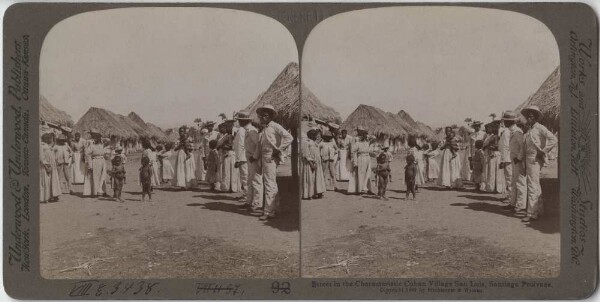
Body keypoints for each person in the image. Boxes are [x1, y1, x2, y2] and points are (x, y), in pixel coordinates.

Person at [256, 104, 293, 220]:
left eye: (265, 116)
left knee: (269, 184)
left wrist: (279, 149)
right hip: (264, 157)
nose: (263, 118)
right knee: (271, 182)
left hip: (270, 157)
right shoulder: (264, 129)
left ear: (271, 116)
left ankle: (268, 212)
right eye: (261, 116)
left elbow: (289, 137)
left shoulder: (275, 126)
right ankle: (276, 208)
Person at [520, 105, 557, 222]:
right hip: (528, 159)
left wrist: (543, 151)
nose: (529, 118)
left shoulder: (540, 128)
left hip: (535, 160)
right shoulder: (530, 130)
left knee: (532, 185)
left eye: (531, 116)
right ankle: (539, 210)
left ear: (535, 117)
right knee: (535, 184)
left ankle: (531, 213)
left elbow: (553, 139)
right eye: (528, 116)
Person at [501, 113, 527, 213]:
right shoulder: (512, 132)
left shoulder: (517, 132)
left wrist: (519, 158)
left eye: (506, 120)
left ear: (511, 121)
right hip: (514, 160)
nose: (504, 122)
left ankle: (521, 205)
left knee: (520, 182)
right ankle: (513, 203)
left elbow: (523, 146)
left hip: (518, 161)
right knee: (514, 182)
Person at [237, 114, 263, 211]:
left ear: (244, 121)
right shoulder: (248, 130)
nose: (239, 122)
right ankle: (250, 201)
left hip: (254, 159)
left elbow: (259, 145)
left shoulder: (252, 131)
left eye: (240, 120)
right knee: (250, 181)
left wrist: (255, 157)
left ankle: (257, 203)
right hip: (250, 159)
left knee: (256, 181)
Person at [347, 127, 375, 195]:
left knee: (368, 174)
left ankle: (368, 189)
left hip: (367, 158)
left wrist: (367, 135)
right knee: (360, 174)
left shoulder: (367, 142)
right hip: (361, 158)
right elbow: (353, 152)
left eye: (365, 135)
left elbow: (374, 138)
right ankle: (360, 190)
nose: (365, 137)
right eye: (363, 135)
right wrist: (355, 162)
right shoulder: (357, 143)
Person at [83, 129, 108, 197]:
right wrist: (90, 164)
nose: (98, 139)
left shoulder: (102, 145)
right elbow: (87, 154)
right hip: (95, 162)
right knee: (95, 177)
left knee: (103, 177)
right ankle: (96, 192)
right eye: (97, 138)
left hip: (102, 161)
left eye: (99, 138)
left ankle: (103, 191)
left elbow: (108, 143)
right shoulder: (92, 146)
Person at [302, 129, 326, 199]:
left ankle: (318, 192)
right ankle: (309, 194)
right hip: (310, 162)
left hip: (316, 162)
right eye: (315, 135)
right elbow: (306, 154)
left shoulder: (313, 142)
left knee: (317, 177)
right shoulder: (306, 142)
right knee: (310, 178)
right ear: (312, 135)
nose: (316, 137)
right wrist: (311, 163)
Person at [483, 121, 505, 194]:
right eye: (494, 127)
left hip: (497, 154)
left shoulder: (500, 136)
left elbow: (500, 146)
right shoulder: (491, 136)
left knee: (498, 171)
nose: (495, 129)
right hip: (492, 154)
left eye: (497, 127)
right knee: (492, 171)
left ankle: (498, 187)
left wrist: (492, 147)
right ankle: (492, 187)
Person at [217, 121, 240, 193]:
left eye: (228, 127)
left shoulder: (234, 135)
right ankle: (227, 187)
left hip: (231, 153)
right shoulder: (226, 136)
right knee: (227, 171)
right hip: (227, 154)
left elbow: (232, 146)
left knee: (232, 170)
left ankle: (233, 187)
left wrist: (223, 146)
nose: (227, 129)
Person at [40, 133, 62, 202]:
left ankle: (55, 194)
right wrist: (46, 166)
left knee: (54, 180)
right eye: (48, 138)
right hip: (48, 164)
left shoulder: (48, 145)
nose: (49, 139)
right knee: (48, 181)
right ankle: (49, 195)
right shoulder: (42, 146)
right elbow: (42, 157)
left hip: (52, 164)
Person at [234, 112, 249, 201]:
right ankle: (246, 194)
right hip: (242, 157)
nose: (239, 122)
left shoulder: (241, 131)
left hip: (242, 158)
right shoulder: (242, 130)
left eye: (240, 120)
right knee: (244, 177)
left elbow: (241, 146)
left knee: (245, 177)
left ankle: (247, 195)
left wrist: (238, 159)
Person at [499, 112, 514, 200]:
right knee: (509, 177)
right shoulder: (507, 131)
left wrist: (503, 160)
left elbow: (505, 147)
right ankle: (510, 196)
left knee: (509, 177)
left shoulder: (507, 132)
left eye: (504, 121)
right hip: (507, 158)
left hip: (507, 158)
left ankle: (511, 197)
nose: (503, 122)